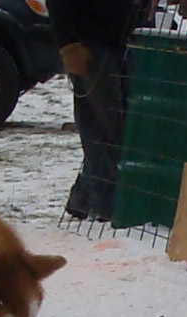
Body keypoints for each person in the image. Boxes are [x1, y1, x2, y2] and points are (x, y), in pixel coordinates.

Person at [46, 0, 153, 221]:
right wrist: (68, 45)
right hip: (91, 45)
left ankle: (84, 198)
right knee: (104, 127)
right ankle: (105, 204)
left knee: (110, 126)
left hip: (120, 41)